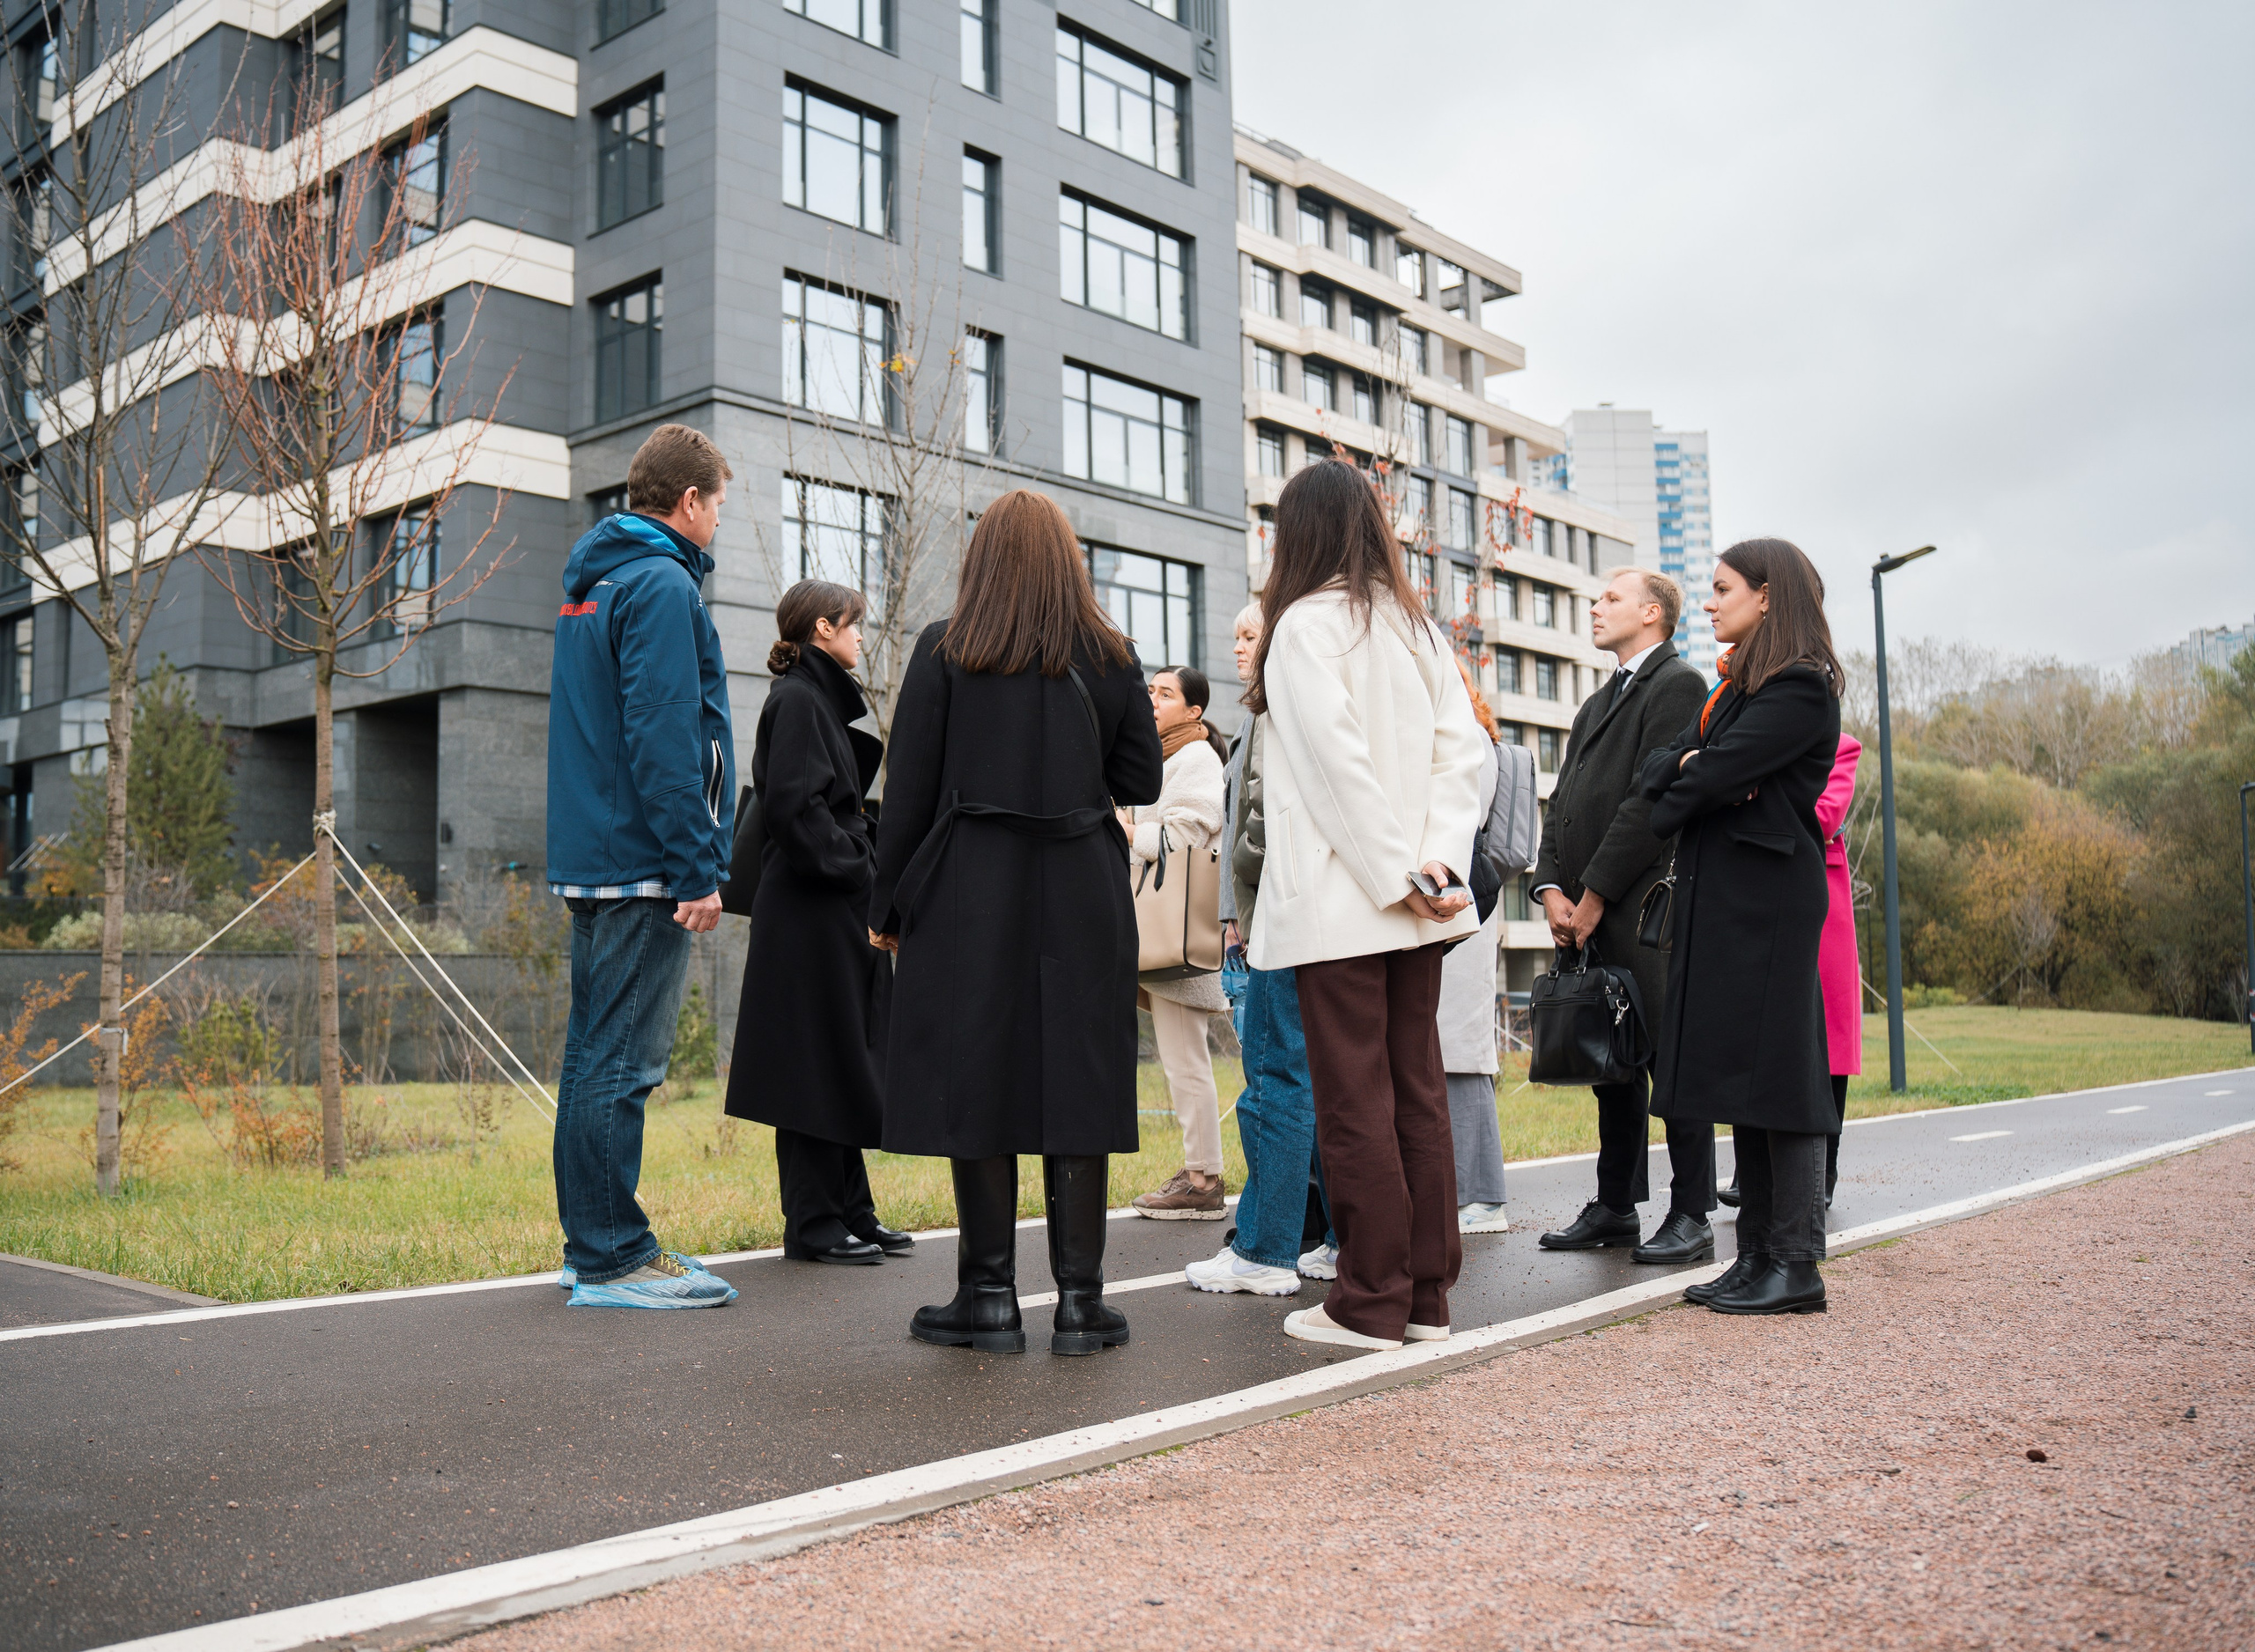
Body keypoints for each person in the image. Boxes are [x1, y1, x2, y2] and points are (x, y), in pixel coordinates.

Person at [870, 490, 1164, 1356]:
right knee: (1079, 1078)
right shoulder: (1112, 655)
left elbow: (908, 794)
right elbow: (1142, 777)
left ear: (982, 559)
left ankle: (988, 1296)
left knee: (980, 1078)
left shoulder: (946, 649)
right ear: (1068, 560)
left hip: (971, 886)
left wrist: (885, 909)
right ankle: (1082, 1303)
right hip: (1081, 880)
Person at [1246, 459, 1488, 1353]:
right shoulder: (1417, 627)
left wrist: (1392, 872)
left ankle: (1368, 1300)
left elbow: (1332, 766)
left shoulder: (1304, 627)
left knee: (1353, 1100)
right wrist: (1432, 867)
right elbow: (1461, 759)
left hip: (1345, 900)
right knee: (1415, 1091)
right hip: (1419, 900)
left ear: (1295, 532)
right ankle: (1423, 1295)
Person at [545, 424, 739, 1309]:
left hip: (597, 853)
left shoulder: (598, 579)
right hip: (644, 862)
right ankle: (614, 1252)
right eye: (718, 506)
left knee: (593, 1059)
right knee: (622, 1064)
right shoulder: (662, 584)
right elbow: (666, 734)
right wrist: (696, 865)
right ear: (689, 501)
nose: (717, 524)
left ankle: (592, 1245)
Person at [1644, 538, 1845, 1316]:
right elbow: (1668, 774)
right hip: (1727, 898)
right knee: (1745, 1079)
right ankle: (1756, 1252)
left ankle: (1794, 1262)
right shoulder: (1739, 692)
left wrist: (1701, 772)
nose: (1709, 601)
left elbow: (1711, 772)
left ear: (1767, 596)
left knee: (1783, 1079)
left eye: (1722, 589)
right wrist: (1697, 771)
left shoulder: (1800, 689)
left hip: (1767, 903)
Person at [723, 580, 913, 1266]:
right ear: (824, 629)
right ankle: (813, 1225)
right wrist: (863, 869)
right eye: (854, 625)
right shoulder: (801, 700)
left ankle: (851, 1213)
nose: (862, 636)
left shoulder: (811, 699)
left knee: (839, 1058)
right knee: (811, 1066)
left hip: (824, 907)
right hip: (812, 910)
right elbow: (798, 815)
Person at [1530, 567, 1716, 1264]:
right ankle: (1616, 1207)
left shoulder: (1678, 684)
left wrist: (1595, 896)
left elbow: (1648, 802)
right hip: (1586, 913)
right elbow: (1563, 802)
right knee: (1613, 1066)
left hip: (1645, 913)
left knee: (1672, 1061)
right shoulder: (1596, 701)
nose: (1594, 605)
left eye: (1609, 597)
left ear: (1652, 611)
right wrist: (1550, 888)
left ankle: (1692, 1210)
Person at [1186, 605, 1334, 1295]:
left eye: (1251, 635)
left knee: (1275, 1084)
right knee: (1308, 1084)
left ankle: (1266, 1249)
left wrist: (1242, 897)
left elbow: (1259, 817)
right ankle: (1326, 1239)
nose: (1239, 647)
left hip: (1277, 916)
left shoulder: (1279, 708)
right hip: (1275, 915)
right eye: (1236, 634)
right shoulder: (1261, 713)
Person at [1719, 731, 1864, 1212]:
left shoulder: (1843, 747)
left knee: (1830, 1043)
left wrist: (1756, 794)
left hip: (1821, 900)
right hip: (1759, 894)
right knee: (1762, 1033)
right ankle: (1752, 1169)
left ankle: (1825, 1170)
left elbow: (1823, 817)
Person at [1128, 665, 1231, 1220]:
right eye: (1151, 691)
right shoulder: (1165, 757)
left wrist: (1127, 830)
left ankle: (1203, 1181)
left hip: (1180, 933)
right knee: (1179, 1055)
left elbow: (1186, 835)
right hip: (1165, 930)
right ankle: (1199, 1171)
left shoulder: (1195, 759)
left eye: (1165, 694)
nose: (1154, 700)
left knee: (1185, 1058)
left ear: (1193, 711)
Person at [1440, 659, 1512, 1235]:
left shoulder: (1468, 741)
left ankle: (1483, 1195)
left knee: (1461, 1047)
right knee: (1444, 1046)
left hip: (1464, 907)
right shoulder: (1466, 737)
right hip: (1454, 909)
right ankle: (1463, 1189)